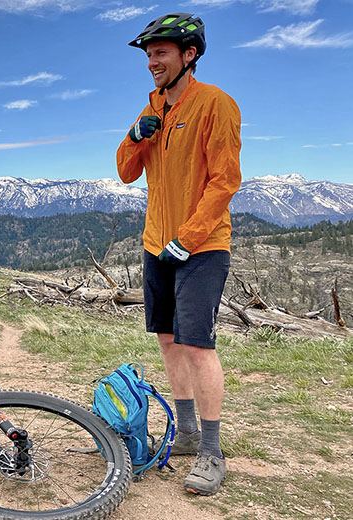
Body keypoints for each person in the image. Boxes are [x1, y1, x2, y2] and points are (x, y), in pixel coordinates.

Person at [116, 13, 241, 496]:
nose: (152, 62)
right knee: (168, 340)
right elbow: (127, 172)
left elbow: (224, 181)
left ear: (189, 55)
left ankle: (211, 451)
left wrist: (188, 238)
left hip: (202, 246)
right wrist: (136, 136)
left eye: (161, 52)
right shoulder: (152, 107)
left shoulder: (215, 104)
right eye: (149, 54)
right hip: (157, 245)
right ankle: (186, 433)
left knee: (197, 345)